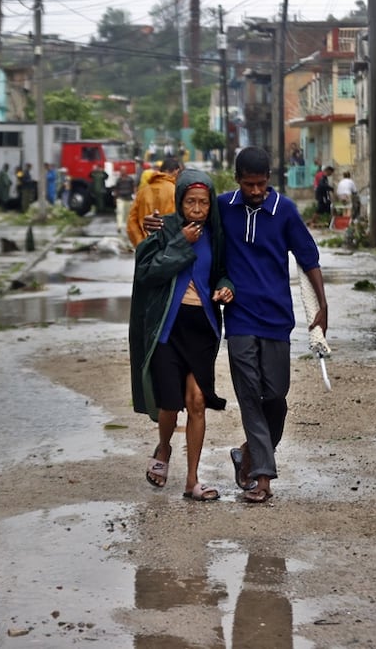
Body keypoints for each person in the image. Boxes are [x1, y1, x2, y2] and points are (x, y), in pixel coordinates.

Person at [144, 146, 328, 503]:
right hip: (240, 319)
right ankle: (262, 477)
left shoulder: (285, 211)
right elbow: (187, 219)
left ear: (269, 181)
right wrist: (159, 225)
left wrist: (322, 305)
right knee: (249, 398)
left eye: (261, 184)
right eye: (248, 184)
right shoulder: (224, 208)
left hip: (277, 319)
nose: (255, 191)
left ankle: (246, 454)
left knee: (275, 396)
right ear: (237, 180)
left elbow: (309, 258)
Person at [129, 169, 235, 502]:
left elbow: (223, 272)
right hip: (168, 327)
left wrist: (225, 287)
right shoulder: (165, 230)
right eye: (191, 201)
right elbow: (148, 273)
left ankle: (192, 481)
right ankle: (163, 446)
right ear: (180, 201)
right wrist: (179, 243)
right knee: (170, 405)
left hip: (201, 327)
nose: (198, 208)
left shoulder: (217, 235)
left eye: (204, 202)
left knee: (198, 402)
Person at [127, 157, 180, 247]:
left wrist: (140, 244)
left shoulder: (143, 192)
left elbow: (131, 222)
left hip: (145, 246)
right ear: (176, 171)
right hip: (168, 249)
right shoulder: (175, 191)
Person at [113, 169, 136, 237]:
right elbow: (116, 189)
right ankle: (119, 227)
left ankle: (127, 227)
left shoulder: (130, 179)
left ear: (126, 172)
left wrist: (135, 195)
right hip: (121, 198)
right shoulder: (118, 180)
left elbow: (134, 187)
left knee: (128, 214)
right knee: (120, 212)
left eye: (123, 171)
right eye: (121, 171)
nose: (122, 172)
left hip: (129, 198)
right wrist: (115, 198)